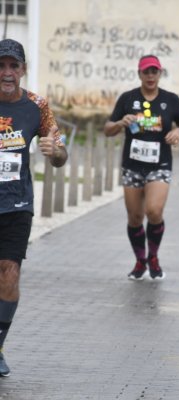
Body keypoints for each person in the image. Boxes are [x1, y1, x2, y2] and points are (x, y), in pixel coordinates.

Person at [0, 38, 68, 377]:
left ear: (23, 69)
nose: (7, 72)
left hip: (16, 204)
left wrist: (55, 151)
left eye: (14, 66)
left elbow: (60, 155)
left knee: (9, 272)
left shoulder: (37, 106)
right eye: (1, 66)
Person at [104, 54, 179, 281]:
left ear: (160, 73)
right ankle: (140, 260)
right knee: (134, 217)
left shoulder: (170, 100)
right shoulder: (127, 98)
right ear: (139, 74)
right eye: (146, 72)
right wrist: (120, 123)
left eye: (154, 71)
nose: (150, 76)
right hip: (132, 166)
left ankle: (154, 257)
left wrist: (178, 131)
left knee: (154, 211)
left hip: (159, 164)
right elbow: (108, 128)